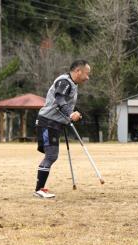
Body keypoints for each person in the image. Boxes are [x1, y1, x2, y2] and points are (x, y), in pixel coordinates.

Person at [33, 60, 90, 198]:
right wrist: (70, 114)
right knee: (51, 155)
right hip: (47, 123)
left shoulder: (73, 84)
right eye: (87, 73)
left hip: (54, 124)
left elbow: (63, 104)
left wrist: (70, 116)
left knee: (51, 155)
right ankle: (39, 190)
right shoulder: (64, 82)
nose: (88, 77)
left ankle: (40, 188)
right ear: (78, 71)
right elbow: (59, 99)